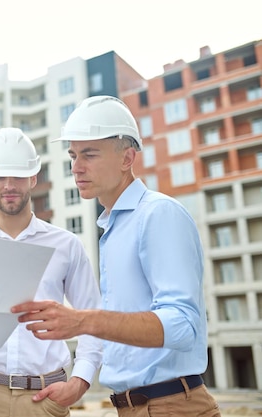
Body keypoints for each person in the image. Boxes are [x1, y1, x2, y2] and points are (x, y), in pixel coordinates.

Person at [13, 95, 222, 417]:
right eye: (73, 155)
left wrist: (83, 321)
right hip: (134, 407)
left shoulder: (158, 214)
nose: (76, 167)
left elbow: (183, 326)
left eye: (89, 154)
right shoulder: (113, 228)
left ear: (127, 158)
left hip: (171, 407)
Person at [0, 127, 102, 417]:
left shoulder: (66, 246)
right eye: (0, 177)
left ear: (33, 179)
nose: (9, 185)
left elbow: (93, 317)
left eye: (18, 177)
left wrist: (80, 382)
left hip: (45, 398)